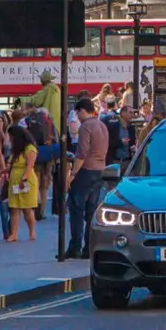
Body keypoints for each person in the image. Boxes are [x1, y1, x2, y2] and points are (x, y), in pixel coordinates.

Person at [64, 97, 107, 261]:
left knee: (76, 210)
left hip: (85, 171)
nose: (77, 117)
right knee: (91, 212)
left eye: (77, 113)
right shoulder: (102, 125)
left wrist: (72, 174)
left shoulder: (86, 127)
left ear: (82, 111)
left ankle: (75, 246)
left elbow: (82, 152)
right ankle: (89, 248)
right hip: (99, 170)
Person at [4, 127, 39, 242]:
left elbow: (29, 165)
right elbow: (11, 164)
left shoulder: (30, 148)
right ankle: (14, 234)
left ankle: (32, 231)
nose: (10, 139)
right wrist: (2, 172)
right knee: (14, 208)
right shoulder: (17, 149)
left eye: (11, 137)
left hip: (26, 180)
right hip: (14, 180)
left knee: (27, 209)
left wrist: (24, 179)